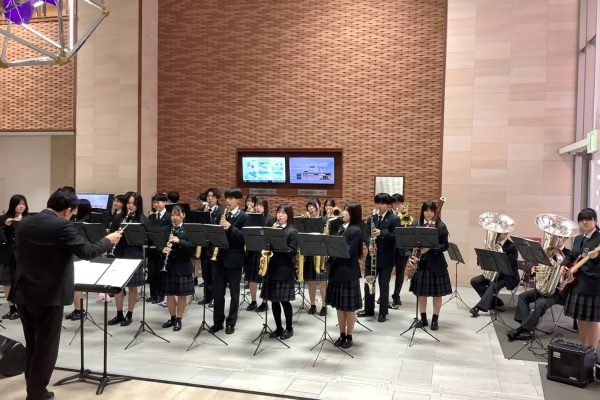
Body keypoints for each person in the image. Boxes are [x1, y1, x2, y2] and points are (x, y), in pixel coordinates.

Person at [10, 188, 120, 400]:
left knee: (32, 344)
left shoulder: (25, 222)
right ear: (68, 210)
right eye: (73, 212)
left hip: (23, 290)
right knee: (46, 347)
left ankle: (33, 389)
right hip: (48, 294)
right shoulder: (61, 225)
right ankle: (37, 393)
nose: (72, 216)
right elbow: (87, 251)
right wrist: (109, 240)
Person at [507, 238, 571, 341]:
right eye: (555, 236)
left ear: (565, 238)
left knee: (540, 304)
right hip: (542, 288)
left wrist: (565, 273)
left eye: (560, 236)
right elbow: (531, 264)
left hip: (557, 292)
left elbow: (571, 273)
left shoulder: (569, 254)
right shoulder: (545, 251)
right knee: (522, 297)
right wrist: (533, 269)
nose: (557, 239)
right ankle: (527, 328)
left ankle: (522, 329)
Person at [407, 199, 451, 330]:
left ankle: (435, 320)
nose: (429, 213)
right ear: (422, 211)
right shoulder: (416, 224)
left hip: (436, 264)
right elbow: (408, 244)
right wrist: (410, 257)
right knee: (421, 294)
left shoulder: (441, 226)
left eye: (432, 211)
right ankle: (423, 319)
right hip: (421, 264)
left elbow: (445, 245)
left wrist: (432, 248)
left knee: (437, 294)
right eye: (426, 210)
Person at [210, 187, 248, 335]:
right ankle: (217, 322)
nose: (228, 201)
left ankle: (231, 322)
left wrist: (231, 228)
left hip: (234, 259)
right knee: (218, 293)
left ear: (238, 200)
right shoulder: (221, 214)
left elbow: (245, 238)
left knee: (234, 294)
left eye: (231, 198)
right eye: (227, 198)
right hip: (219, 259)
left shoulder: (244, 217)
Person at [357, 193, 399, 322]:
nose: (379, 206)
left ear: (388, 205)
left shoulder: (394, 219)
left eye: (382, 203)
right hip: (372, 256)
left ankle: (383, 312)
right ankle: (368, 309)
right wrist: (369, 244)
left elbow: (396, 237)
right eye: (377, 203)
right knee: (369, 283)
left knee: (383, 285)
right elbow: (366, 235)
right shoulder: (372, 218)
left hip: (386, 258)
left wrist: (382, 233)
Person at [562, 208, 600, 349]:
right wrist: (563, 265)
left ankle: (593, 350)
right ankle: (584, 348)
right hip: (577, 283)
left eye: (588, 219)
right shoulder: (578, 238)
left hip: (593, 285)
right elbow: (572, 255)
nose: (584, 222)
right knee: (580, 319)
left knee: (592, 321)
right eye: (581, 220)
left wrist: (596, 258)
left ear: (595, 221)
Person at [327, 202, 363, 349]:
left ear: (353, 214)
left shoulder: (355, 230)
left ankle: (349, 336)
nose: (343, 212)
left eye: (346, 211)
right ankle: (341, 334)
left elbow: (347, 251)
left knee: (349, 308)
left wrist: (332, 247)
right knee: (339, 307)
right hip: (337, 270)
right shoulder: (342, 227)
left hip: (348, 272)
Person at [108, 192, 147, 326]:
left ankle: (129, 314)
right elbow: (111, 235)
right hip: (119, 254)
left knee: (132, 287)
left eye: (133, 204)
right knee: (117, 286)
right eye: (129, 203)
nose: (130, 206)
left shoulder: (142, 220)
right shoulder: (118, 218)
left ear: (138, 205)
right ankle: (119, 313)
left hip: (133, 256)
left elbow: (145, 239)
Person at [261, 203, 297, 340]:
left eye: (283, 213)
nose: (280, 215)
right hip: (272, 268)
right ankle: (278, 327)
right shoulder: (272, 228)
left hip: (285, 269)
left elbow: (293, 251)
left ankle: (289, 328)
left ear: (289, 215)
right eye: (278, 212)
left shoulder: (292, 231)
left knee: (284, 301)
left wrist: (281, 246)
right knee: (274, 301)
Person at [160, 206, 195, 331]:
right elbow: (159, 244)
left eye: (177, 215)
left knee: (181, 295)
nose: (174, 218)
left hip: (183, 265)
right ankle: (172, 317)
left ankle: (179, 319)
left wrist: (179, 241)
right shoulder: (165, 229)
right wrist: (163, 249)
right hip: (169, 266)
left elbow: (192, 247)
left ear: (183, 215)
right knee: (169, 294)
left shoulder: (189, 229)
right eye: (172, 215)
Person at [469, 232, 519, 317]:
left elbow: (511, 265)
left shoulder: (511, 247)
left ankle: (478, 307)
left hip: (507, 276)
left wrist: (499, 257)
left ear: (506, 233)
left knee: (493, 286)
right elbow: (481, 262)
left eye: (499, 232)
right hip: (494, 273)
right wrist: (483, 254)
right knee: (474, 281)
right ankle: (494, 302)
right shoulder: (492, 244)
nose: (496, 233)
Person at [0, 194, 29, 321]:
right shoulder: (3, 218)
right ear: (13, 205)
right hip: (7, 255)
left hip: (24, 256)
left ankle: (23, 308)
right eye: (19, 203)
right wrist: (6, 226)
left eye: (23, 203)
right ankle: (12, 308)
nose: (21, 206)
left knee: (23, 282)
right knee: (7, 282)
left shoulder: (28, 219)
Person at [65, 199, 93, 321]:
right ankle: (77, 309)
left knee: (77, 284)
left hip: (80, 254)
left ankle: (79, 310)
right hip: (76, 253)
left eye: (76, 207)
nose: (74, 209)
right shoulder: (76, 219)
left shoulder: (84, 222)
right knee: (75, 285)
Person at [246, 198, 274, 313]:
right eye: (257, 205)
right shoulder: (250, 218)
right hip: (253, 250)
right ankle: (253, 301)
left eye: (261, 206)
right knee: (252, 278)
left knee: (265, 278)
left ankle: (264, 302)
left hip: (264, 252)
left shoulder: (270, 219)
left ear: (265, 207)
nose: (258, 207)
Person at [303, 198, 328, 316]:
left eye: (313, 205)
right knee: (311, 281)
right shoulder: (305, 220)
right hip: (309, 253)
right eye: (309, 206)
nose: (311, 208)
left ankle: (324, 305)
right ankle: (312, 304)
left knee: (322, 282)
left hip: (321, 254)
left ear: (319, 206)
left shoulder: (324, 219)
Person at [198, 187, 223, 307]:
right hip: (204, 246)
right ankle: (207, 296)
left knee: (214, 275)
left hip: (215, 247)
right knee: (205, 273)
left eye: (212, 196)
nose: (210, 198)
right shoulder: (202, 210)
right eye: (208, 196)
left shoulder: (221, 212)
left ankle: (214, 297)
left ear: (217, 198)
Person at [146, 193, 171, 304]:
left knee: (160, 273)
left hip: (163, 249)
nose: (155, 204)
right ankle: (153, 294)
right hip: (152, 249)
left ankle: (161, 295)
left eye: (158, 202)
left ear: (165, 203)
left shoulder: (169, 216)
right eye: (154, 202)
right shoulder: (151, 217)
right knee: (151, 272)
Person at [390, 193, 409, 308]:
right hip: (390, 249)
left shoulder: (406, 216)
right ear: (391, 204)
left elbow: (408, 232)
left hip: (402, 249)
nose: (397, 204)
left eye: (399, 202)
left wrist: (401, 218)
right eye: (395, 202)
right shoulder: (388, 215)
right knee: (386, 273)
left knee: (400, 274)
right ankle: (383, 295)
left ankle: (396, 295)